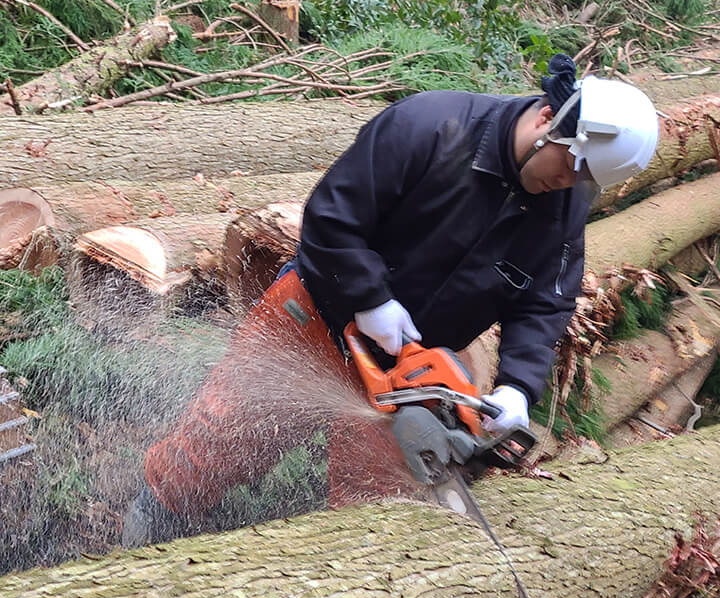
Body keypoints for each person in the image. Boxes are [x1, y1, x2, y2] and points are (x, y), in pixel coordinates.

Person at [121, 54, 659, 547]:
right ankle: (148, 530)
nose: (568, 184)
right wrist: (369, 297)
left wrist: (518, 386)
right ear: (547, 119)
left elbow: (544, 303)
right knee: (213, 447)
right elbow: (332, 215)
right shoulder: (431, 128)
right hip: (314, 315)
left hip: (409, 371)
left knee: (380, 505)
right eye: (569, 167)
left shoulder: (562, 208)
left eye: (585, 180)